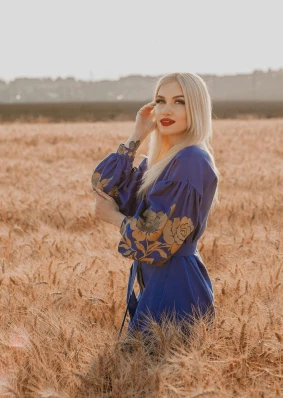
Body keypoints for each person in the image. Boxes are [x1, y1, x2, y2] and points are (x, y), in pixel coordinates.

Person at [91, 72, 220, 340]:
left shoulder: (191, 160)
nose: (167, 110)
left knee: (152, 365)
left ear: (196, 108)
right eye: (160, 101)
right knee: (138, 369)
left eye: (180, 102)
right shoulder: (160, 161)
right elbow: (105, 188)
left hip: (175, 281)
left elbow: (157, 237)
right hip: (154, 278)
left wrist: (115, 218)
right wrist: (137, 133)